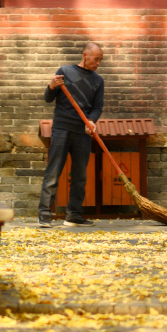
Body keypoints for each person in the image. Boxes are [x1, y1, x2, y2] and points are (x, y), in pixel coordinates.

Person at [38, 42, 104, 227]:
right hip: (61, 130)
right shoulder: (65, 71)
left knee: (79, 176)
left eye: (100, 60)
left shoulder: (98, 81)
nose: (98, 63)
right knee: (53, 173)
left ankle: (74, 215)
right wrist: (51, 86)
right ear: (85, 55)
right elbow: (48, 99)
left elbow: (97, 107)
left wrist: (91, 121)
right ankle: (44, 215)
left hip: (82, 133)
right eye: (96, 59)